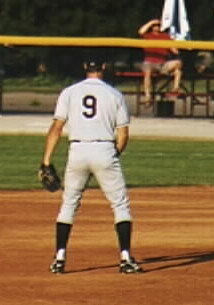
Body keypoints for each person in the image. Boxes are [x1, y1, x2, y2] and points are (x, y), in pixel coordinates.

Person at [42, 59, 142, 274]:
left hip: (77, 150)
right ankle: (125, 258)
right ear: (104, 67)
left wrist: (46, 161)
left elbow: (56, 128)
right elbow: (123, 134)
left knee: (69, 205)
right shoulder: (114, 94)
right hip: (105, 148)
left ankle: (59, 258)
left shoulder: (69, 92)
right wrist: (112, 155)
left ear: (84, 67)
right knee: (119, 205)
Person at [138, 19, 183, 105]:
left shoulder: (165, 36)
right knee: (147, 72)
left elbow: (175, 51)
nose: (157, 27)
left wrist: (175, 47)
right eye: (155, 25)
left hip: (162, 64)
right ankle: (148, 96)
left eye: (159, 25)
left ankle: (176, 89)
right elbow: (141, 31)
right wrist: (151, 21)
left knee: (178, 68)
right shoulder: (148, 36)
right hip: (149, 62)